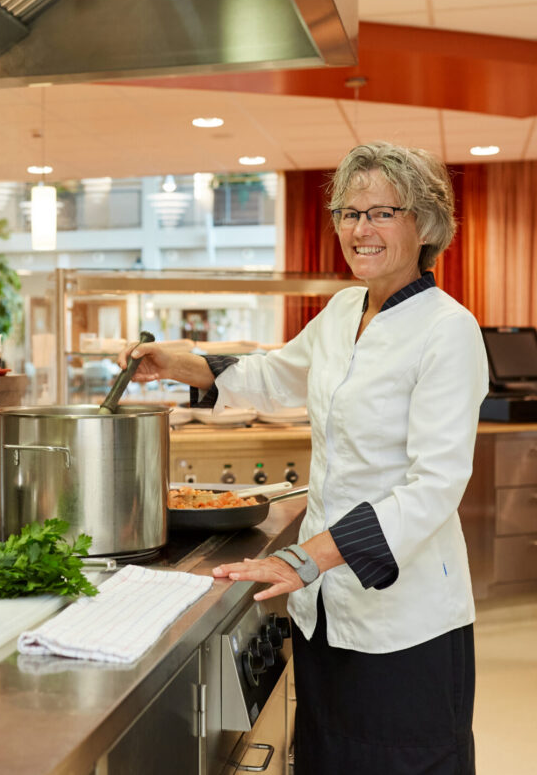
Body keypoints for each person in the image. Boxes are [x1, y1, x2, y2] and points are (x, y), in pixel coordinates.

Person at [119, 141, 487, 774]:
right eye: (348, 212)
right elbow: (275, 374)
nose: (359, 229)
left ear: (425, 224)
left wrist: (307, 557)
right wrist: (179, 362)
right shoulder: (345, 310)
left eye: (381, 212)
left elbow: (434, 486)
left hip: (406, 621)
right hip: (324, 612)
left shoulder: (448, 329)